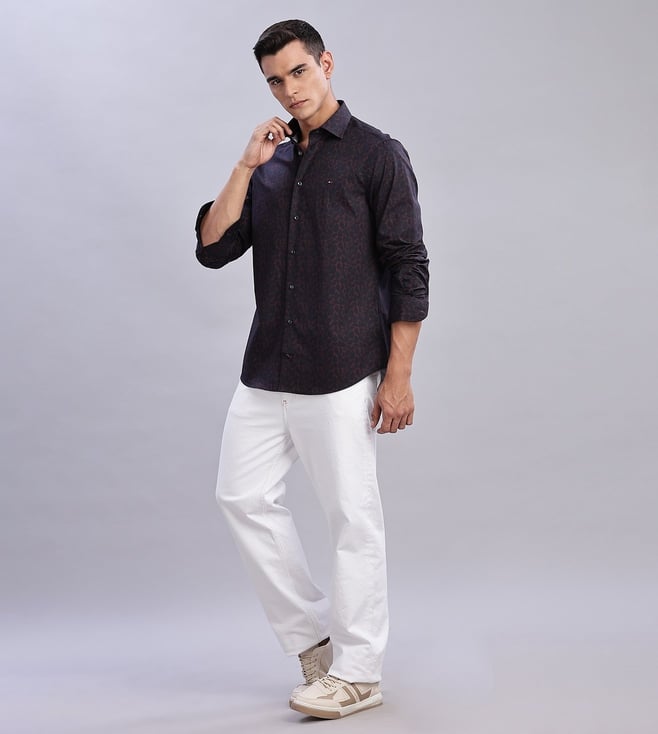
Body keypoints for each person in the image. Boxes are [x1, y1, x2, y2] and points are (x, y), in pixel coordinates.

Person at [195, 19, 429, 720]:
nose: (288, 89)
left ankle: (359, 674)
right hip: (269, 365)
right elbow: (212, 247)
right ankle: (314, 641)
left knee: (352, 519)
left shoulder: (377, 155)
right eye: (275, 80)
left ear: (326, 64)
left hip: (340, 367)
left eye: (298, 71)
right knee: (240, 497)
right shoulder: (269, 162)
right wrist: (246, 166)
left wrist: (398, 376)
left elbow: (408, 266)